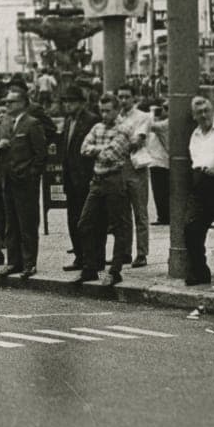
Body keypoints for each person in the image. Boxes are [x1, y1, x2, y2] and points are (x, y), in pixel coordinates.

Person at [70, 93, 133, 286]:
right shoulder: (97, 127)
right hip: (97, 181)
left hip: (114, 180)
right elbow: (83, 148)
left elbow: (111, 154)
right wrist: (100, 150)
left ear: (117, 110)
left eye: (108, 110)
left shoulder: (124, 129)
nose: (104, 114)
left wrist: (96, 150)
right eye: (102, 110)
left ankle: (115, 270)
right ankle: (91, 267)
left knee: (118, 226)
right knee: (85, 223)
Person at [0, 84, 47, 280]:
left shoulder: (32, 124)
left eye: (12, 101)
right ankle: (13, 262)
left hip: (25, 181)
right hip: (7, 179)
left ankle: (29, 263)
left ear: (23, 103)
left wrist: (31, 174)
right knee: (11, 223)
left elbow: (41, 155)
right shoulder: (4, 123)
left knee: (28, 223)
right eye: (6, 102)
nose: (7, 105)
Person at [184, 95, 214, 286]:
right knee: (191, 229)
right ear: (194, 116)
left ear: (213, 111)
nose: (204, 115)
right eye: (199, 112)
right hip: (200, 185)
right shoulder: (194, 135)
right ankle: (200, 272)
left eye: (206, 111)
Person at [59, 85, 99, 272]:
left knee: (89, 221)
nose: (68, 105)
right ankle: (79, 256)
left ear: (82, 103)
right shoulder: (68, 121)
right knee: (73, 219)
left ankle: (93, 258)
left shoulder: (91, 120)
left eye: (72, 101)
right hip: (70, 179)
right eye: (66, 101)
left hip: (86, 177)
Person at [116, 84, 152, 267]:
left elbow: (138, 141)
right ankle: (125, 252)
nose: (123, 100)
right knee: (123, 214)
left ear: (133, 98)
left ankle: (142, 253)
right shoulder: (116, 117)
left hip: (136, 167)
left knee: (140, 212)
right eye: (120, 97)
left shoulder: (143, 117)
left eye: (126, 97)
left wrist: (115, 146)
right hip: (120, 167)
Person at [146, 99, 170, 225]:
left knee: (160, 191)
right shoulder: (166, 123)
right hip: (161, 160)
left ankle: (163, 216)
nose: (163, 110)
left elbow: (150, 125)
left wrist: (151, 112)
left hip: (159, 161)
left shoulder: (167, 124)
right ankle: (164, 215)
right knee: (162, 191)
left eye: (165, 108)